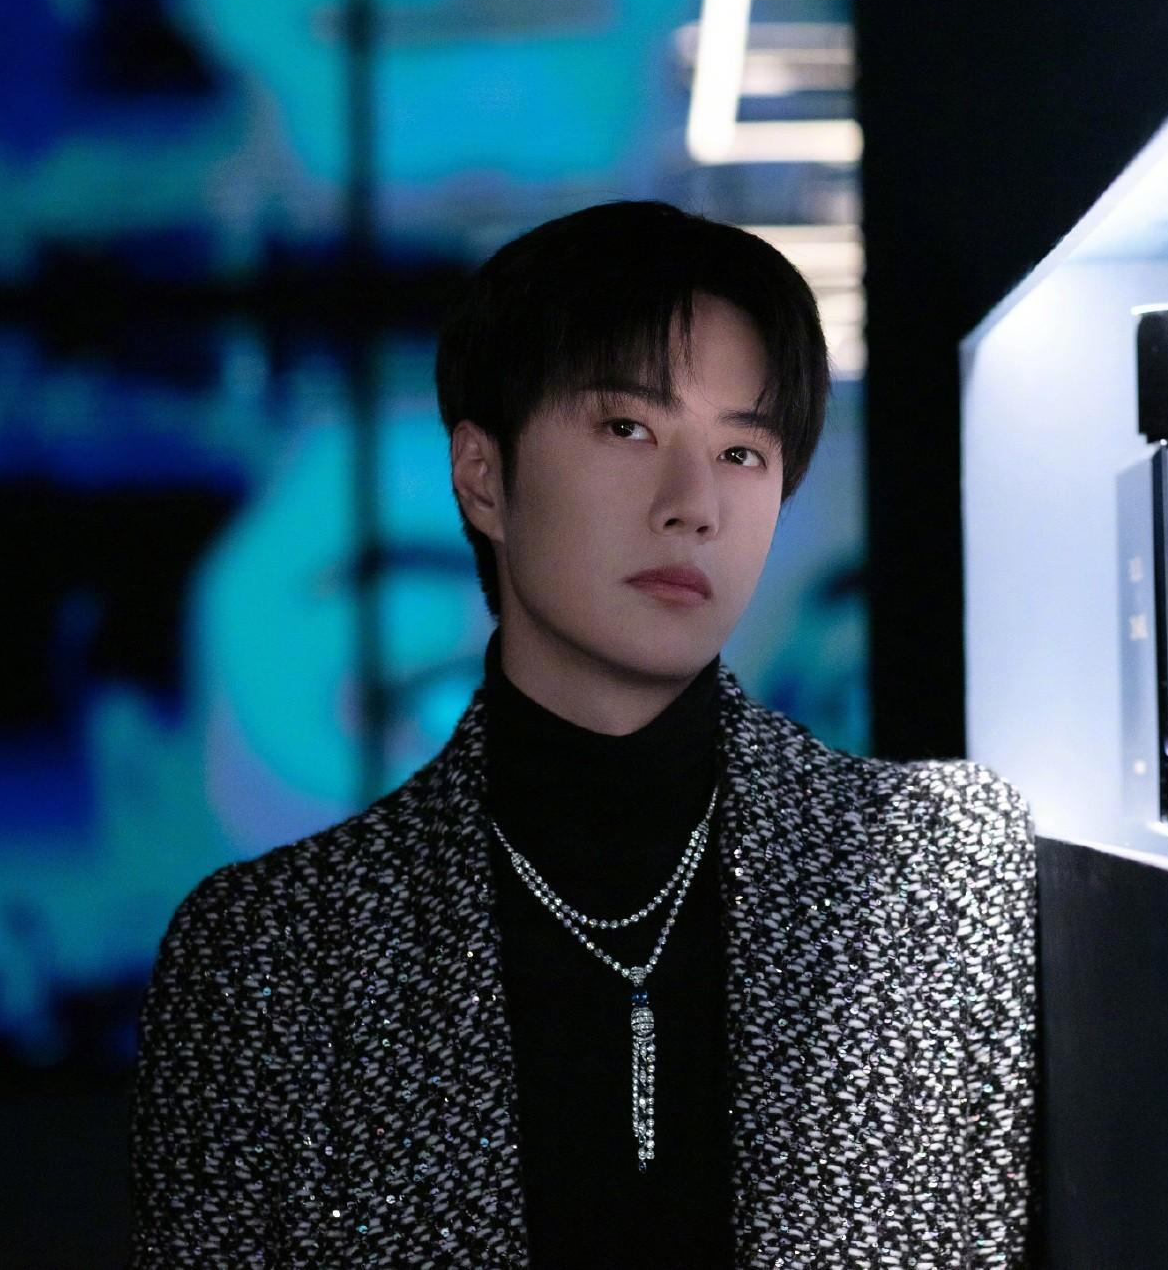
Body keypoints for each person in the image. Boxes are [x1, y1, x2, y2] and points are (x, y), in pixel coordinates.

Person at [129, 200, 1041, 1267]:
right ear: (484, 477)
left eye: (742, 451)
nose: (693, 503)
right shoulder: (267, 954)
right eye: (627, 429)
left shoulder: (935, 865)